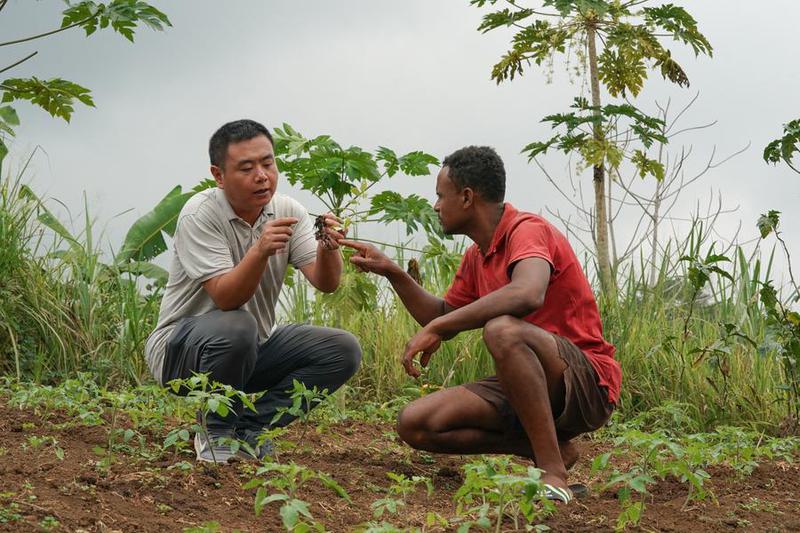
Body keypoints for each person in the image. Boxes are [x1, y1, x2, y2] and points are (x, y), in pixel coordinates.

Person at [341, 146, 620, 503]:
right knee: (417, 423)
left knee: (501, 329)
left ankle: (553, 473)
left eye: (441, 196)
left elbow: (527, 293)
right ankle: (553, 448)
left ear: (467, 197)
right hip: (527, 381)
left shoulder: (527, 231)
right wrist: (394, 272)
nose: (437, 206)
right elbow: (441, 312)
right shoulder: (477, 255)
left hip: (585, 383)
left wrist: (440, 328)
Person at [145, 119, 362, 463]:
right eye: (246, 168)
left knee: (342, 349)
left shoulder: (288, 210)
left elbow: (326, 282)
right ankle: (215, 430)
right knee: (238, 324)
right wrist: (259, 251)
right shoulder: (200, 214)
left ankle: (249, 426)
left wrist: (329, 246)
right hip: (181, 353)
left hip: (249, 348)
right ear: (218, 175)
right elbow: (227, 298)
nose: (262, 175)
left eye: (268, 163)